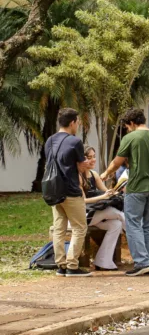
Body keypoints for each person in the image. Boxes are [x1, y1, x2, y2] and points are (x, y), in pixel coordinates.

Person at [102, 108, 149, 276]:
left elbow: (117, 162)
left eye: (127, 126)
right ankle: (148, 260)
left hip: (136, 188)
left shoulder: (130, 137)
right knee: (148, 226)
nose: (127, 129)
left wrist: (105, 174)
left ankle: (142, 262)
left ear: (131, 123)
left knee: (133, 224)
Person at [44, 108, 91, 277]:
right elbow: (79, 166)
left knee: (59, 229)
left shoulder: (50, 140)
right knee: (80, 227)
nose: (77, 125)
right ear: (72, 123)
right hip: (71, 190)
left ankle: (61, 265)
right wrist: (84, 166)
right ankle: (72, 265)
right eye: (77, 122)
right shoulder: (74, 141)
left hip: (54, 191)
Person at [79, 146, 125, 271]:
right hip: (84, 216)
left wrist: (114, 192)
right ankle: (139, 245)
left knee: (115, 224)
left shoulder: (94, 175)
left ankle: (103, 261)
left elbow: (105, 192)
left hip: (97, 214)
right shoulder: (78, 176)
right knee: (117, 214)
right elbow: (81, 201)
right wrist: (103, 197)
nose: (93, 160)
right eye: (89, 158)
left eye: (94, 157)